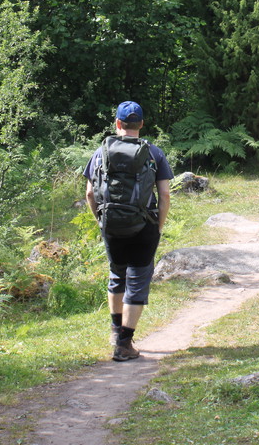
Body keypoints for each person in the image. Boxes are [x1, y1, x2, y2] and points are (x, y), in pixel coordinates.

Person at [84, 101, 173, 361]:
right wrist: (159, 224)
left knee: (117, 274)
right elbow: (165, 194)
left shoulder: (101, 153)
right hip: (144, 224)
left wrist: (100, 220)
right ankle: (124, 344)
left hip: (111, 223)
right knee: (137, 279)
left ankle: (115, 330)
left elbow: (90, 193)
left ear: (117, 124)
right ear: (141, 124)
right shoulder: (154, 153)